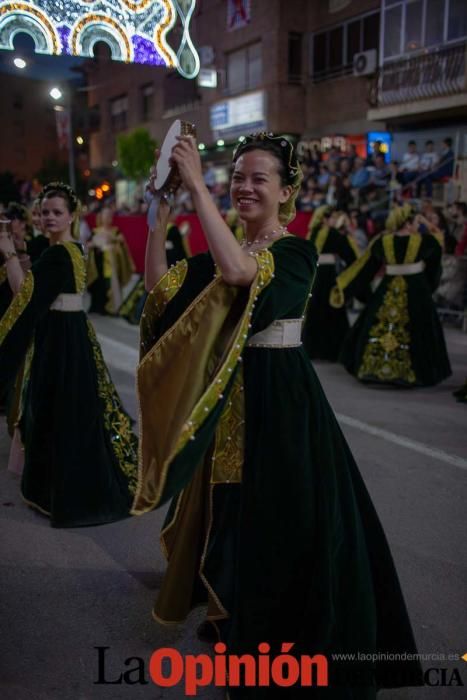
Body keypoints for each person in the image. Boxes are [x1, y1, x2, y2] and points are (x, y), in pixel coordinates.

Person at [132, 133, 422, 697]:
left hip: (283, 404)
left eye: (258, 178)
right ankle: (239, 619)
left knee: (283, 525)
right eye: (237, 176)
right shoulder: (225, 250)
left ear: (286, 192)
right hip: (232, 397)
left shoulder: (295, 253)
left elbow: (242, 276)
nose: (244, 186)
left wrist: (196, 184)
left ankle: (283, 646)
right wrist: (160, 216)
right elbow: (159, 292)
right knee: (232, 513)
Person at [0, 182, 138, 526]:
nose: (49, 218)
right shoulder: (76, 248)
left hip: (60, 339)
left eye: (56, 212)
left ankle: (66, 491)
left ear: (72, 216)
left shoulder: (58, 254)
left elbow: (24, 298)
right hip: (72, 333)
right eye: (45, 212)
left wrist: (8, 255)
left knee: (57, 412)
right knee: (73, 410)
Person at [333, 203, 451, 387]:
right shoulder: (427, 242)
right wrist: (427, 288)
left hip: (386, 287)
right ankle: (412, 373)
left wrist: (353, 291)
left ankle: (373, 368)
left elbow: (365, 271)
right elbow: (435, 269)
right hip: (416, 290)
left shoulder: (382, 242)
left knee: (375, 324)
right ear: (409, 222)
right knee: (419, 331)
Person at [302, 205, 359, 361]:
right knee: (332, 312)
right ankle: (333, 351)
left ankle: (312, 350)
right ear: (326, 219)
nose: (335, 221)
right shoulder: (334, 234)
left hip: (314, 277)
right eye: (333, 218)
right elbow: (352, 256)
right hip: (328, 277)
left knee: (314, 312)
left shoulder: (311, 234)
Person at [87, 207, 135, 314]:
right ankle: (99, 307)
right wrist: (95, 245)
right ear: (101, 217)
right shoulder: (96, 231)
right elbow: (90, 245)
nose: (108, 218)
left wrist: (114, 242)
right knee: (100, 285)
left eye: (110, 216)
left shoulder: (116, 231)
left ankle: (113, 308)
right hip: (100, 264)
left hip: (113, 264)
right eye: (106, 215)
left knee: (112, 286)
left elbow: (122, 245)